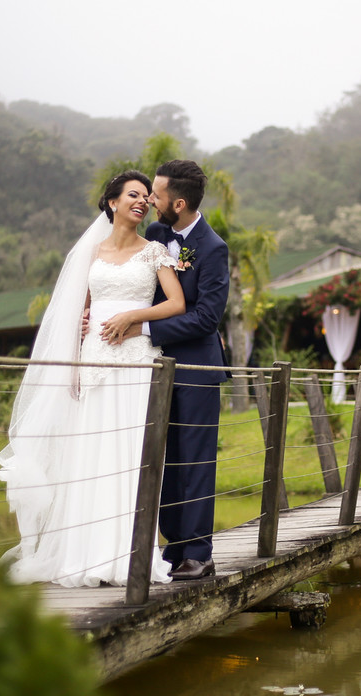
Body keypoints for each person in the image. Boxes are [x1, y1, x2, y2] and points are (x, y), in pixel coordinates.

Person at [0, 171, 185, 588]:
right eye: (132, 195)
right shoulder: (91, 254)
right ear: (112, 203)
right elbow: (77, 312)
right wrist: (79, 352)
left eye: (145, 196)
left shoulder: (155, 252)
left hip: (135, 363)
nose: (141, 201)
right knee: (91, 454)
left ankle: (129, 556)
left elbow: (176, 303)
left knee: (130, 455)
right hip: (94, 363)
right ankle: (83, 556)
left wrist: (133, 316)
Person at [106, 159, 230, 581]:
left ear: (178, 203)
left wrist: (142, 326)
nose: (150, 200)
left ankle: (198, 553)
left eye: (156, 194)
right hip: (152, 368)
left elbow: (206, 319)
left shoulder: (213, 248)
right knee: (163, 459)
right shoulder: (156, 235)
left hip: (196, 369)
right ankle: (171, 549)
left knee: (195, 460)